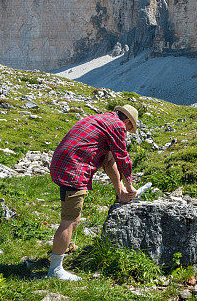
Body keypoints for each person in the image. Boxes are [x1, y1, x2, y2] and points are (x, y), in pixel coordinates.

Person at [47, 105, 140, 281]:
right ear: (127, 121)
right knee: (69, 219)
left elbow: (109, 160)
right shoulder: (117, 126)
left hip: (64, 162)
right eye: (129, 129)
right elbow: (122, 157)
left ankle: (64, 248)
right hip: (73, 168)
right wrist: (130, 186)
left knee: (73, 216)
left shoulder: (102, 120)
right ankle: (55, 270)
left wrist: (120, 190)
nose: (127, 132)